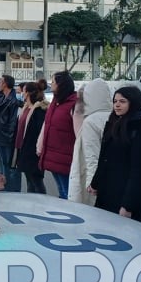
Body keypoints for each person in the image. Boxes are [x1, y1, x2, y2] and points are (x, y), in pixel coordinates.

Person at [89, 86, 141, 221]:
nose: (117, 105)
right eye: (115, 101)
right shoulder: (113, 122)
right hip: (108, 188)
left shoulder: (140, 128)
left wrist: (128, 205)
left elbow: (138, 170)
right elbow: (104, 158)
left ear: (133, 102)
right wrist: (95, 183)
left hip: (124, 191)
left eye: (122, 101)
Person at [68, 79, 113, 205]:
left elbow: (91, 154)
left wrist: (92, 183)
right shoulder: (114, 116)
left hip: (93, 178)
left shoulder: (91, 121)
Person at [38, 71, 77, 199]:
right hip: (53, 154)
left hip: (66, 156)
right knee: (61, 191)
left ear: (61, 85)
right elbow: (47, 126)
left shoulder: (74, 104)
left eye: (53, 82)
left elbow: (78, 133)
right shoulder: (56, 102)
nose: (51, 84)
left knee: (67, 193)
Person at [13, 80, 50, 193]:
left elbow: (37, 132)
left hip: (32, 151)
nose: (21, 93)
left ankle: (41, 203)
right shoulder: (26, 107)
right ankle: (31, 203)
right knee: (29, 179)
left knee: (36, 180)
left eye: (23, 91)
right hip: (23, 149)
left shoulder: (38, 110)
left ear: (28, 93)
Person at [0, 74, 20, 191]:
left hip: (5, 136)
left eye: (1, 82)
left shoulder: (12, 100)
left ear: (6, 84)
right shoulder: (3, 98)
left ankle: (9, 184)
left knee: (8, 162)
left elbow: (12, 121)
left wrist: (9, 137)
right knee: (2, 160)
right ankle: (3, 180)